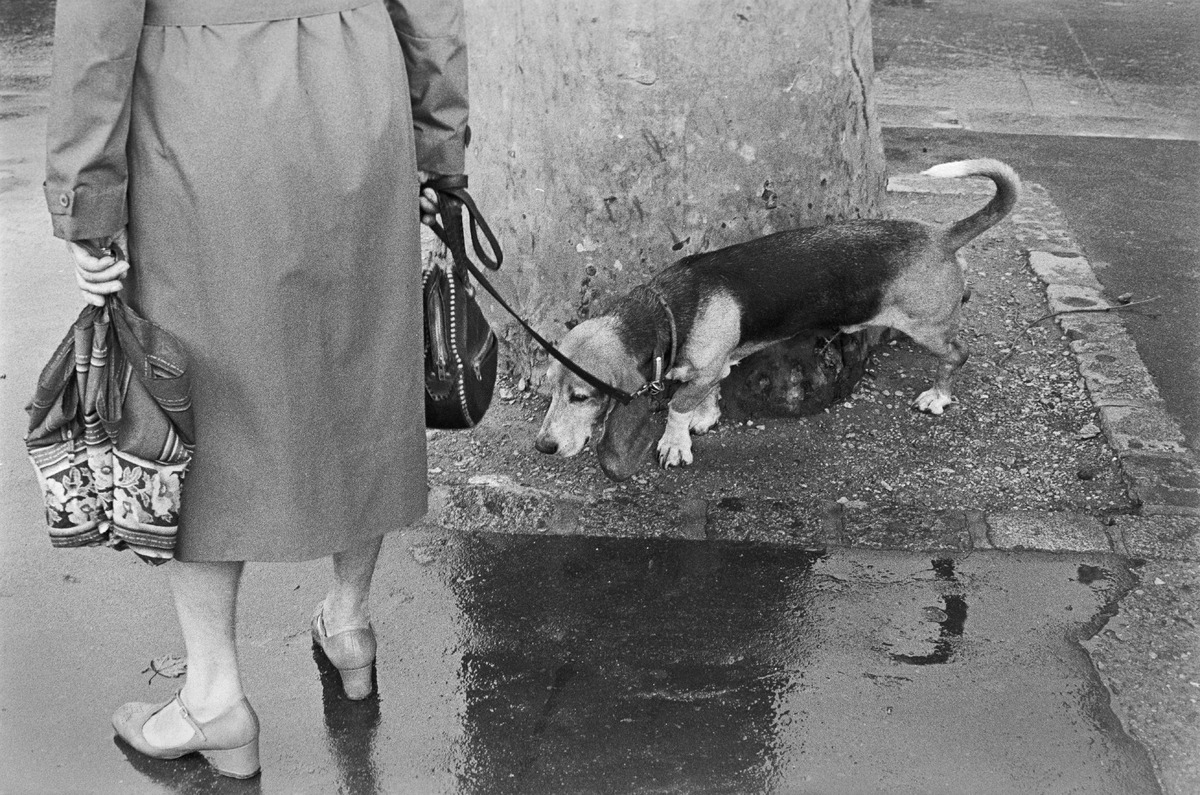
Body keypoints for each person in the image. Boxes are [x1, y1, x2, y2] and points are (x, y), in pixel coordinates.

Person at [43, 0, 468, 779]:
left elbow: (99, 24)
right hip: (357, 91)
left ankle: (213, 697)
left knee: (195, 393)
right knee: (360, 361)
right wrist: (440, 141)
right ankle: (348, 621)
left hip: (202, 112)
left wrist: (85, 195)